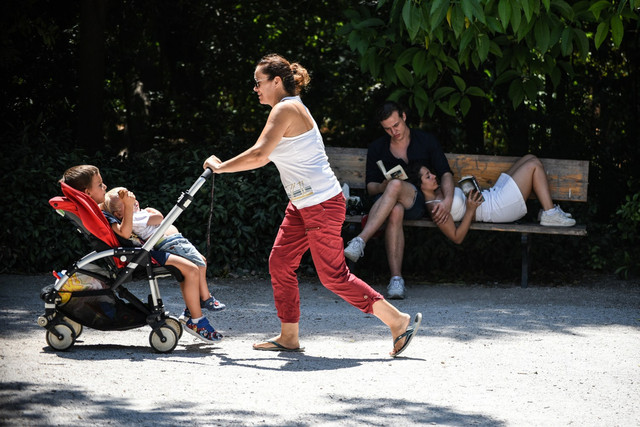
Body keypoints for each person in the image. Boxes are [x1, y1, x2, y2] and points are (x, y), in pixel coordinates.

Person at [203, 54, 421, 357]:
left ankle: (397, 321)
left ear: (276, 82)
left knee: (334, 276)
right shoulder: (289, 107)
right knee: (280, 263)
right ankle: (289, 336)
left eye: (258, 82)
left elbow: (259, 154)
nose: (255, 88)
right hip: (303, 203)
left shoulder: (286, 108)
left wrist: (220, 167)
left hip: (321, 204)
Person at [60, 165, 223, 343]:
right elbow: (124, 232)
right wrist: (129, 207)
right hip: (139, 255)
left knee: (193, 266)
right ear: (87, 192)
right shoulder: (102, 214)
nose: (104, 186)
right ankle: (196, 320)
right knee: (191, 269)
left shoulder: (95, 211)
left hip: (140, 252)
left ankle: (192, 313)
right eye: (99, 185)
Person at [344, 101, 454, 299]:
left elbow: (445, 173)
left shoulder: (425, 140)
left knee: (396, 186)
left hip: (418, 201)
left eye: (396, 125)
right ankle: (396, 280)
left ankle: (361, 240)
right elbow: (371, 188)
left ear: (404, 117)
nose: (394, 132)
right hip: (387, 203)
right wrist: (382, 186)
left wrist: (447, 200)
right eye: (388, 129)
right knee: (395, 207)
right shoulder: (378, 147)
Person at [102, 186, 226, 320]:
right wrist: (149, 211)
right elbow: (159, 218)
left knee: (201, 261)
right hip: (171, 243)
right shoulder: (134, 218)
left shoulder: (136, 215)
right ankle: (206, 298)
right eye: (127, 203)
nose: (133, 202)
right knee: (199, 264)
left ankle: (193, 306)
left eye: (133, 200)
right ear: (119, 215)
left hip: (176, 242)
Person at [418, 154, 576, 244]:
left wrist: (475, 189)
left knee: (530, 157)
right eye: (427, 176)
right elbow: (457, 237)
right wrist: (470, 210)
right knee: (533, 165)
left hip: (492, 195)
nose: (433, 176)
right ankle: (550, 214)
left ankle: (548, 212)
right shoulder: (436, 210)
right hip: (498, 209)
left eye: (431, 173)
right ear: (420, 186)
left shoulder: (439, 191)